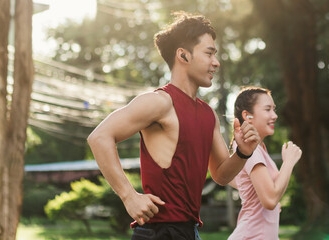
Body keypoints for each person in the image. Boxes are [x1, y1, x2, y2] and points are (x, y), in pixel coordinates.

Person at [87, 12, 261, 240]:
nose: (216, 62)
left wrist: (242, 152)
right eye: (209, 53)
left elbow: (220, 174)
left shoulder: (208, 114)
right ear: (183, 55)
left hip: (189, 232)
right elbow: (99, 137)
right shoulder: (159, 102)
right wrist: (129, 196)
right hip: (159, 232)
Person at [227, 87, 302, 240]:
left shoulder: (257, 148)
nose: (274, 115)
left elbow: (241, 181)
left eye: (274, 110)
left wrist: (264, 203)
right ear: (247, 116)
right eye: (267, 109)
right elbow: (269, 200)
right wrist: (288, 162)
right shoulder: (250, 147)